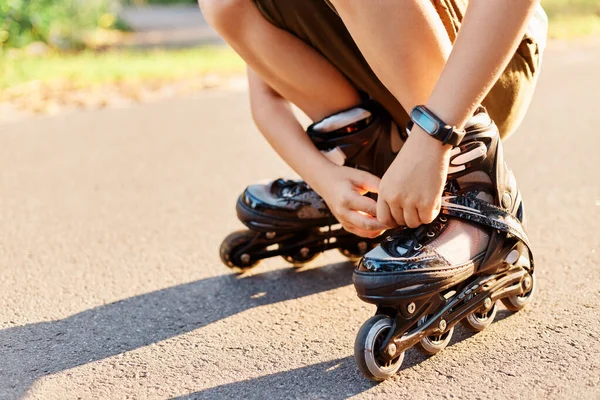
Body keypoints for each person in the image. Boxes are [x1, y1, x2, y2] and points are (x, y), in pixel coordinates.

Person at [203, 0, 547, 271]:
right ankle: (373, 159)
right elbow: (268, 98)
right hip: (393, 90)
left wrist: (434, 138)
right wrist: (326, 180)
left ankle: (473, 181)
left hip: (485, 69)